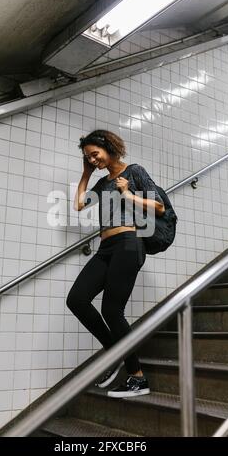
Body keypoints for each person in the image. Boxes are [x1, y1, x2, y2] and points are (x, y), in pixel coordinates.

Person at [66, 130, 165, 398]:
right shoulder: (101, 182)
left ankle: (137, 377)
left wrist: (128, 194)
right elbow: (78, 204)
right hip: (106, 247)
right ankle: (115, 351)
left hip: (130, 243)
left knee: (112, 310)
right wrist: (86, 173)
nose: (93, 159)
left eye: (94, 154)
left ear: (109, 147)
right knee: (77, 299)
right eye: (88, 157)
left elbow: (159, 207)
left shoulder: (134, 172)